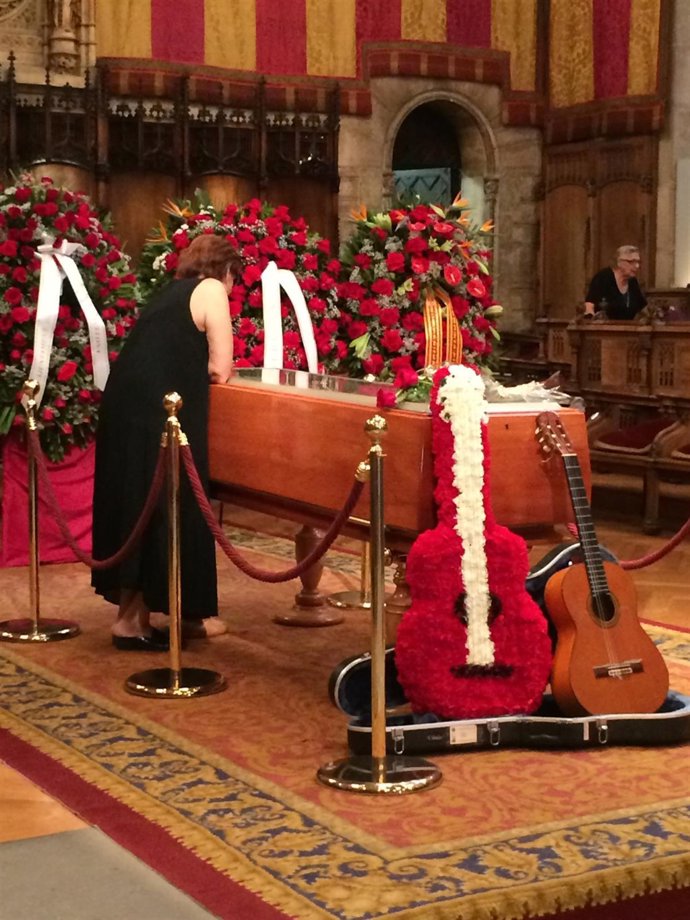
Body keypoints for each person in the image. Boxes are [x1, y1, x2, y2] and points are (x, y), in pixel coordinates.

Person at [91, 234, 241, 650]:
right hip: (159, 411)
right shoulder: (211, 289)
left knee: (136, 503)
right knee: (162, 504)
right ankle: (131, 623)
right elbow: (221, 368)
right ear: (226, 271)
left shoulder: (169, 293)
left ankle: (177, 615)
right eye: (235, 280)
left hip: (126, 403)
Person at [583, 245, 647, 320]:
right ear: (619, 262)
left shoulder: (632, 282)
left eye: (638, 262)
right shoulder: (603, 278)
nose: (637, 266)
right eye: (632, 262)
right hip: (603, 329)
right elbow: (589, 305)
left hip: (628, 329)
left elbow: (642, 308)